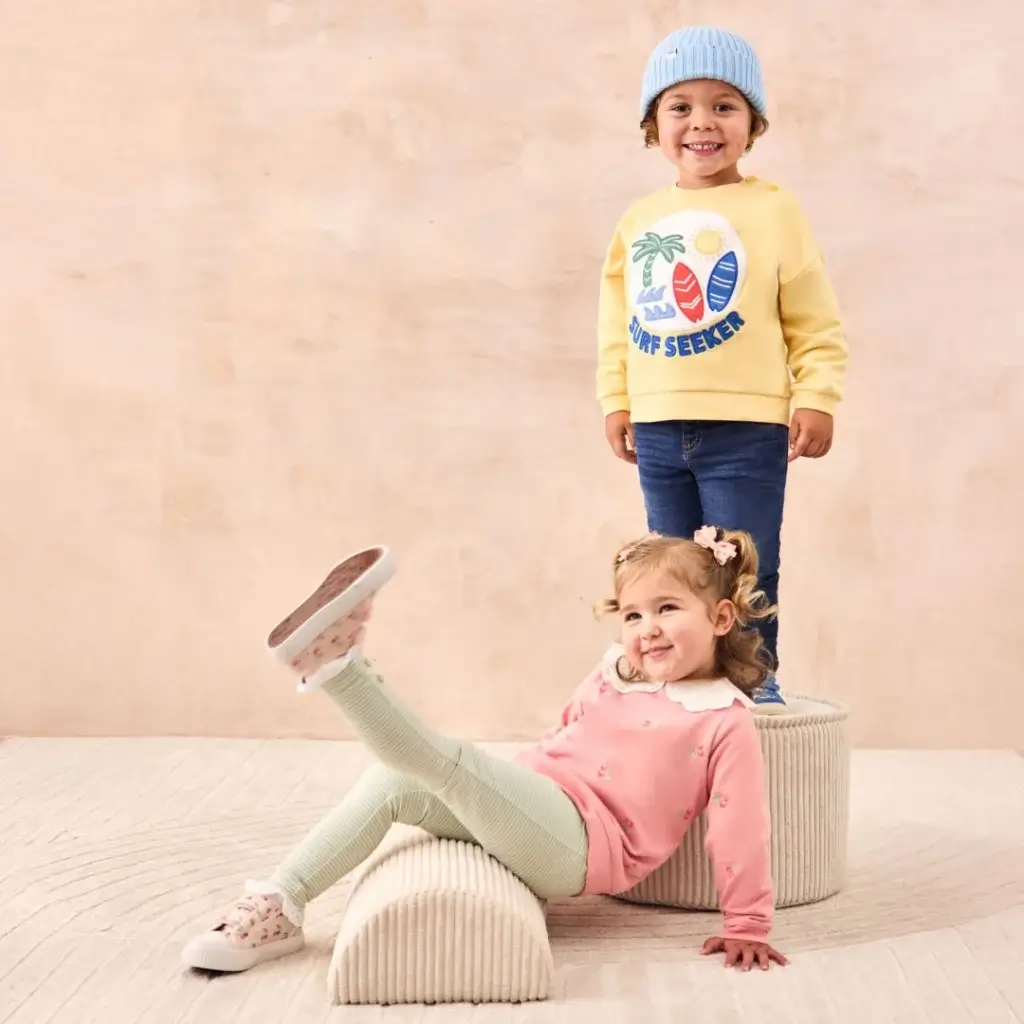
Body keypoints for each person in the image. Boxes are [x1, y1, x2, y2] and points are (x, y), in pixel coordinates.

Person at [181, 534, 789, 975]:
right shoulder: (615, 672)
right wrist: (509, 788)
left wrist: (748, 923)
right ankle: (281, 903)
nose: (646, 628)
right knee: (395, 780)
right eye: (633, 613)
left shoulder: (723, 719)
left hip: (580, 847)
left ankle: (339, 666)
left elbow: (741, 828)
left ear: (720, 617)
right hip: (539, 805)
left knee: (449, 761)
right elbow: (566, 735)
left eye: (668, 609)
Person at [597, 27, 849, 710]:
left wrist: (817, 395)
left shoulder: (773, 211)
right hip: (655, 427)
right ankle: (682, 693)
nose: (702, 122)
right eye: (680, 107)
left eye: (724, 106)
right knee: (669, 576)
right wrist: (615, 400)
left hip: (746, 429)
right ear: (653, 125)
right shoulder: (639, 220)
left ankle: (752, 694)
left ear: (752, 124)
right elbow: (618, 323)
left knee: (743, 571)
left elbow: (812, 318)